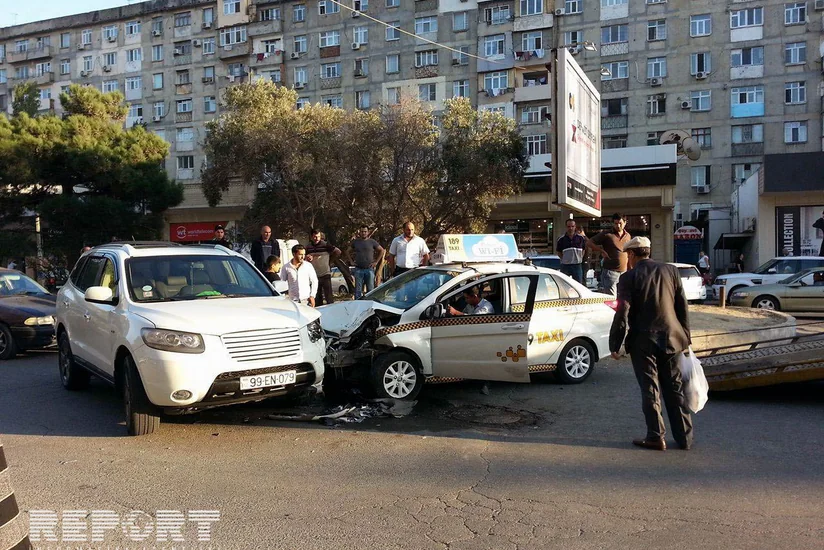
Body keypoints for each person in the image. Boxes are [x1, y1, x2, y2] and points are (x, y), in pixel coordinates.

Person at [608, 236, 693, 451]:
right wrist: (686, 338)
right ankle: (684, 438)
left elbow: (623, 311)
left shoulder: (628, 277)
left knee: (650, 389)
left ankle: (656, 436)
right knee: (674, 388)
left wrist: (615, 344)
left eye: (628, 255)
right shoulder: (671, 271)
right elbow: (682, 306)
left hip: (643, 340)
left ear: (633, 255)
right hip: (673, 338)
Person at [587, 213, 631, 295]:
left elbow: (628, 253)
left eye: (620, 223)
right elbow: (589, 242)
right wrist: (601, 250)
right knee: (611, 298)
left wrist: (630, 269)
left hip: (624, 272)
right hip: (610, 272)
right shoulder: (607, 234)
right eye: (615, 223)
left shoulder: (628, 236)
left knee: (623, 297)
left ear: (625, 223)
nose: (618, 225)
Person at [305, 229, 341, 306]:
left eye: (318, 236)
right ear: (311, 237)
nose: (317, 238)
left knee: (328, 297)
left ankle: (331, 311)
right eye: (315, 237)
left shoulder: (325, 245)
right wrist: (307, 258)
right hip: (314, 275)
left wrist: (330, 261)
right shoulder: (308, 247)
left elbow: (338, 251)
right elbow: (304, 258)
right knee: (317, 297)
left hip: (325, 273)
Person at [349, 225, 385, 299]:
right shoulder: (356, 242)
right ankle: (358, 305)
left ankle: (369, 305)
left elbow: (382, 250)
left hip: (369, 269)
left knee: (370, 290)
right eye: (362, 232)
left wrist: (376, 262)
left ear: (368, 232)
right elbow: (347, 251)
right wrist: (351, 261)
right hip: (358, 269)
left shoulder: (372, 242)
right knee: (358, 290)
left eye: (365, 231)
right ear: (360, 232)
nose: (363, 233)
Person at [556, 219, 587, 284]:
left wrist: (580, 258)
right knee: (563, 284)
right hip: (565, 266)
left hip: (577, 265)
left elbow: (583, 249)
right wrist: (565, 259)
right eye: (569, 226)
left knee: (578, 285)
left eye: (572, 226)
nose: (570, 228)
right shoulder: (561, 239)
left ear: (575, 226)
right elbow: (559, 252)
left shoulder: (581, 238)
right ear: (566, 227)